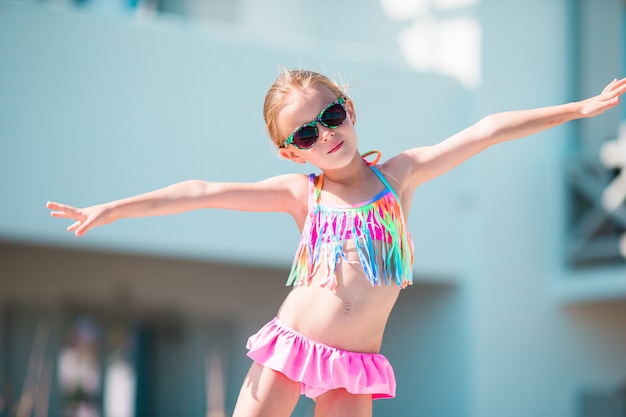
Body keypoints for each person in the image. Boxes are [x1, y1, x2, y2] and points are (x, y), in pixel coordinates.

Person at [47, 70, 626, 417]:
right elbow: (201, 191)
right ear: (291, 151)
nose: (326, 134)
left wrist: (580, 109)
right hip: (291, 345)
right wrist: (112, 209)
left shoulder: (398, 176)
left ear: (350, 110)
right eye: (307, 132)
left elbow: (486, 130)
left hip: (355, 361)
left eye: (331, 115)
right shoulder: (303, 193)